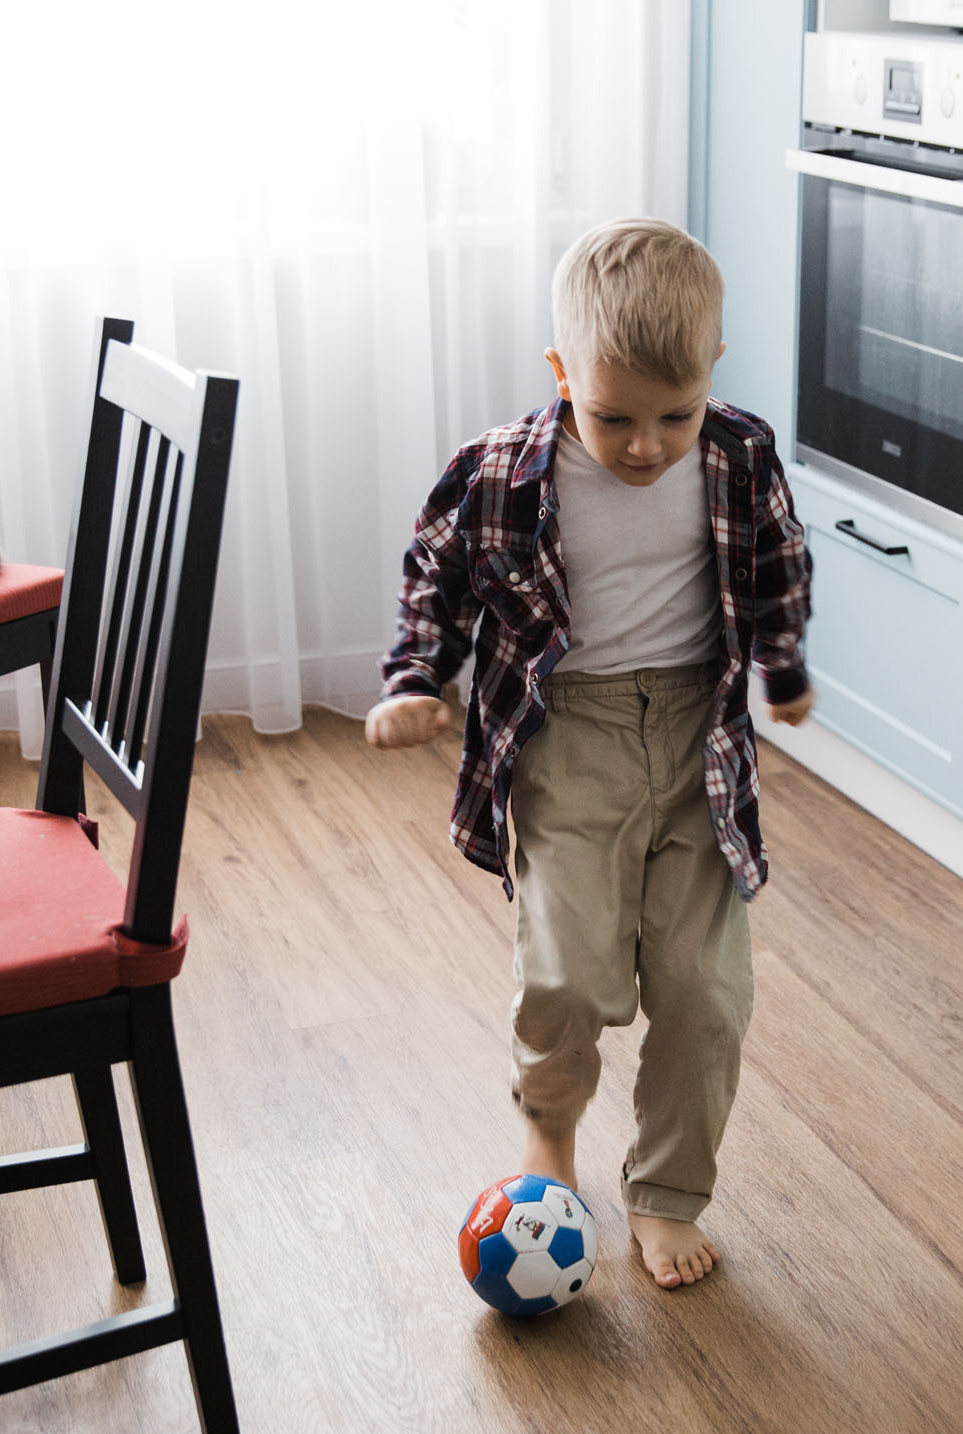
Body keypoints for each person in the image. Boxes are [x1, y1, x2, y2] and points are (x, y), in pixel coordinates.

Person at [368, 217, 813, 1289]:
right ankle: (551, 1129)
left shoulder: (740, 454)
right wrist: (415, 679)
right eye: (614, 417)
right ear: (562, 372)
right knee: (568, 975)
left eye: (674, 414)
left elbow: (775, 566)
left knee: (706, 994)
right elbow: (436, 576)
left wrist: (783, 665)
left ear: (713, 370)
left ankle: (666, 1192)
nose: (646, 445)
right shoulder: (501, 473)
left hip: (701, 743)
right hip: (567, 737)